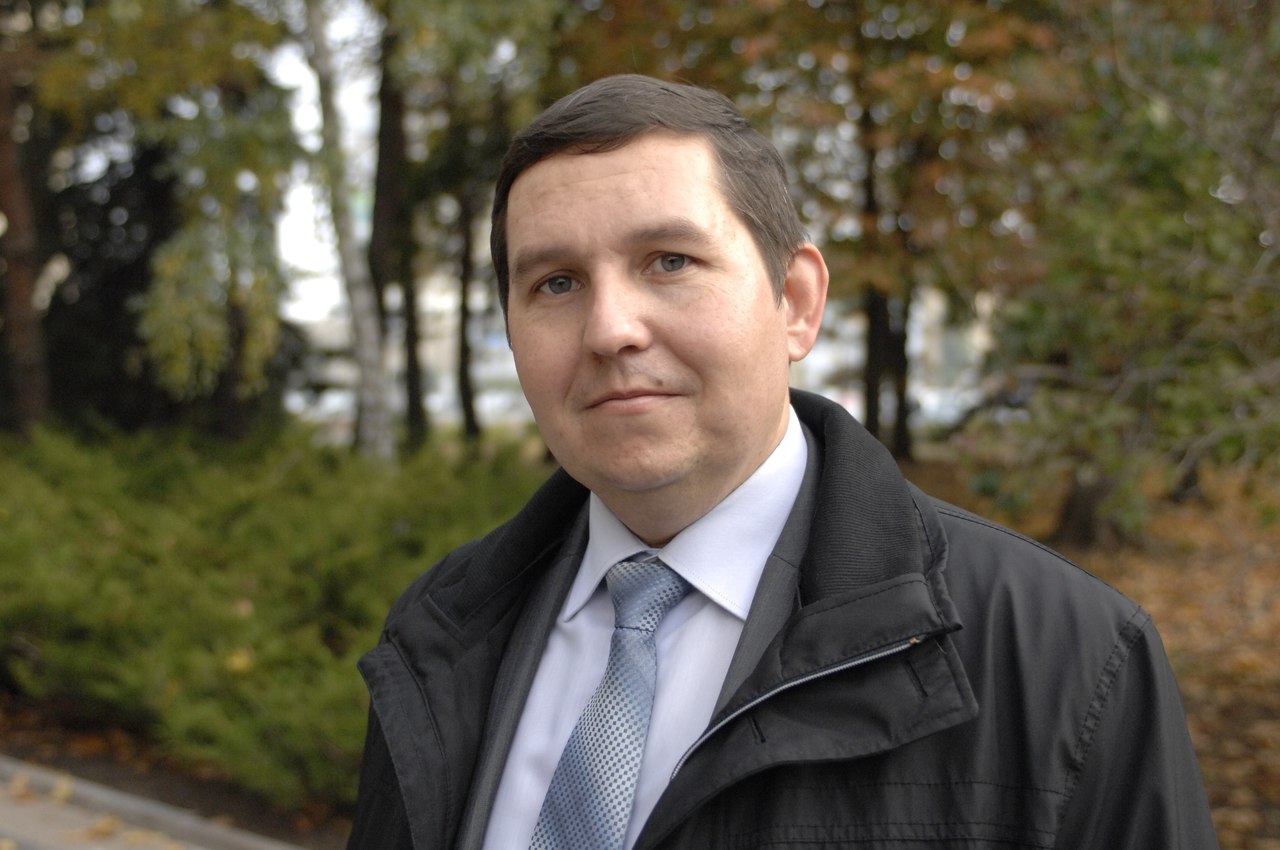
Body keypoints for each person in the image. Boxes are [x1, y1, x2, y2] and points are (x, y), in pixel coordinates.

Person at [346, 74, 1219, 850]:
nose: (610, 329)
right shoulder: (441, 632)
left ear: (796, 303)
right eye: (557, 283)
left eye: (670, 261)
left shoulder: (1064, 659)